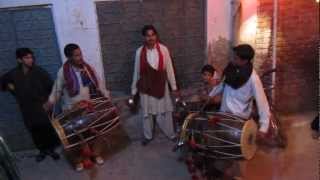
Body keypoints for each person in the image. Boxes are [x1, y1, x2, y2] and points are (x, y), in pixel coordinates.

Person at [44, 43, 110, 171]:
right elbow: (57, 90)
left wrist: (106, 96)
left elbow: (99, 83)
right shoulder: (63, 71)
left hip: (88, 108)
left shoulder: (87, 68)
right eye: (76, 55)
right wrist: (51, 101)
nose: (80, 57)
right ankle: (79, 161)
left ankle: (95, 155)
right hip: (71, 110)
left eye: (80, 54)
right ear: (69, 57)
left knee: (93, 135)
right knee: (76, 139)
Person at [209, 44, 271, 179]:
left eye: (236, 58)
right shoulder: (230, 69)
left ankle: (236, 176)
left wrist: (263, 127)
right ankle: (221, 172)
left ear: (245, 61)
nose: (232, 60)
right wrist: (210, 95)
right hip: (223, 116)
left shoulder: (253, 79)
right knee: (222, 149)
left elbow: (263, 103)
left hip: (239, 123)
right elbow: (222, 85)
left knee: (238, 155)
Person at [0, 48, 60, 162]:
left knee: (47, 128)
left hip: (42, 106)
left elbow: (52, 87)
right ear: (19, 60)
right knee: (34, 130)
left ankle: (51, 150)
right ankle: (42, 150)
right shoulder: (13, 74)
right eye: (27, 58)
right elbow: (3, 82)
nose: (30, 60)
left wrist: (50, 101)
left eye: (31, 57)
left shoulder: (39, 72)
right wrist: (9, 87)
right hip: (27, 108)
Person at [131, 25, 179, 146]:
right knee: (146, 113)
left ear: (156, 36)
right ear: (144, 37)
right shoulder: (139, 52)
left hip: (161, 85)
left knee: (165, 112)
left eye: (152, 35)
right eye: (148, 35)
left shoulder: (164, 50)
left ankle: (171, 134)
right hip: (145, 86)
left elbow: (169, 69)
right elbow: (136, 72)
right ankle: (147, 136)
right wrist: (133, 91)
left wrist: (174, 87)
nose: (150, 38)